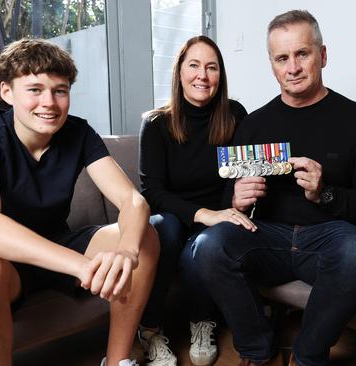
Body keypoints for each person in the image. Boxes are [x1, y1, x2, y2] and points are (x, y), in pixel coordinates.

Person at [0, 39, 158, 366]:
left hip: (55, 244)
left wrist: (127, 250)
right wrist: (81, 266)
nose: (49, 102)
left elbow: (132, 201)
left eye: (60, 91)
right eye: (35, 89)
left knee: (145, 235)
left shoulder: (79, 133)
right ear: (7, 92)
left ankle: (117, 360)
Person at [192, 10, 356, 366]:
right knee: (207, 247)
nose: (293, 67)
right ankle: (256, 347)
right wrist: (236, 200)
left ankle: (307, 356)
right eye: (282, 58)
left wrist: (325, 193)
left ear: (323, 55)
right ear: (272, 65)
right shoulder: (253, 125)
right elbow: (227, 205)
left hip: (330, 238)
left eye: (302, 54)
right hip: (267, 237)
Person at [138, 35, 251, 366]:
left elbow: (241, 174)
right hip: (173, 218)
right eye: (194, 65)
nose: (203, 75)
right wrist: (203, 214)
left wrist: (229, 208)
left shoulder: (234, 114)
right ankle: (150, 330)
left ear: (220, 76)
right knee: (166, 228)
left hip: (218, 217)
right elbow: (152, 193)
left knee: (201, 247)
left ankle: (202, 322)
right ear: (180, 73)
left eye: (212, 67)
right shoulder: (156, 123)